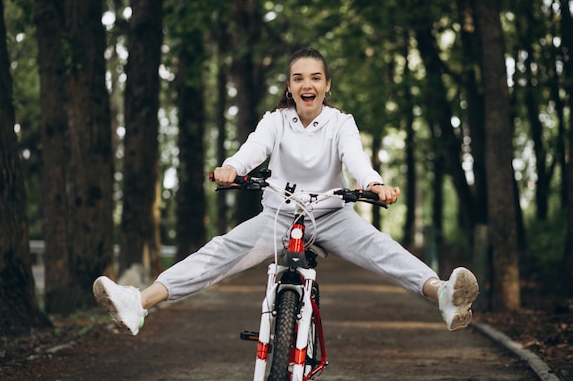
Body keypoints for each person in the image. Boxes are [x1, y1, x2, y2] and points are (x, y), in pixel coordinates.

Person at [93, 47, 478, 336]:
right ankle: (137, 303)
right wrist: (232, 168)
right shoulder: (275, 121)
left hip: (332, 215)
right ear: (290, 86)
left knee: (384, 250)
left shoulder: (340, 123)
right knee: (219, 252)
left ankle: (443, 295)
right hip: (279, 214)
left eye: (314, 78)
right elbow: (253, 148)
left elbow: (356, 159)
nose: (306, 84)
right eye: (298, 78)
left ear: (326, 85)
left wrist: (373, 184)